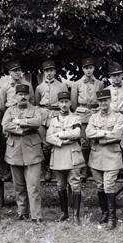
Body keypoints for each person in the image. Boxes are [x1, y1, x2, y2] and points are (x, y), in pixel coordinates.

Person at [2, 84, 43, 223]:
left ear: (29, 96)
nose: (23, 97)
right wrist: (23, 129)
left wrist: (20, 122)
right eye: (20, 94)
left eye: (25, 94)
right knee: (18, 186)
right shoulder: (9, 110)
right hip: (14, 151)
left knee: (34, 186)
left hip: (32, 150)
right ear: (15, 96)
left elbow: (38, 122)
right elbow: (5, 125)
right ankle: (21, 212)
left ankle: (35, 215)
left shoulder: (35, 109)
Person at [86, 89, 123, 230]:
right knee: (100, 186)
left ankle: (112, 218)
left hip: (112, 156)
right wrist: (105, 133)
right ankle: (105, 213)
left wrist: (99, 136)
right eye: (100, 101)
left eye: (105, 100)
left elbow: (117, 135)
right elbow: (89, 133)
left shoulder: (118, 117)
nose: (103, 103)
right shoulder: (93, 117)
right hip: (96, 157)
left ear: (110, 101)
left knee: (109, 185)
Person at [46, 91, 85, 224]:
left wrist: (59, 134)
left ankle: (76, 215)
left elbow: (77, 133)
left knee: (75, 184)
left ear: (70, 103)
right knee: (60, 185)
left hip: (73, 155)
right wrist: (61, 141)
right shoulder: (53, 120)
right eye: (61, 102)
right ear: (58, 104)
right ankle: (64, 213)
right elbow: (48, 137)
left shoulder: (76, 118)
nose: (64, 105)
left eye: (66, 102)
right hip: (58, 155)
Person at [71, 57, 104, 181]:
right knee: (84, 142)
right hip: (82, 113)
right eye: (86, 68)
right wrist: (79, 112)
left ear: (94, 68)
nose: (88, 70)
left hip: (95, 113)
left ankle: (94, 167)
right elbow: (74, 103)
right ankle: (84, 168)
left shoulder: (99, 83)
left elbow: (102, 100)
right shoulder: (77, 84)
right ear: (82, 69)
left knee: (94, 141)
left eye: (90, 68)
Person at [35, 60, 68, 181]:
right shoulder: (39, 87)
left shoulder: (61, 86)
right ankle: (47, 168)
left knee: (58, 141)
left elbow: (65, 102)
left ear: (55, 71)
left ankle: (59, 168)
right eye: (47, 71)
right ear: (43, 72)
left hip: (57, 115)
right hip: (43, 115)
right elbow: (36, 103)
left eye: (51, 70)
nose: (49, 73)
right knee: (45, 144)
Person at [105, 62, 123, 182]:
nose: (116, 78)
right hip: (110, 119)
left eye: (118, 75)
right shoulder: (106, 89)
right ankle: (113, 169)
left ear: (122, 75)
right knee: (111, 145)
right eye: (113, 75)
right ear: (110, 77)